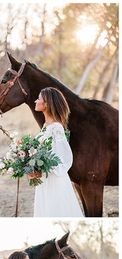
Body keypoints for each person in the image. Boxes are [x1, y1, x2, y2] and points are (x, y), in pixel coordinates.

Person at [30, 87, 84, 217]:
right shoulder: (45, 127)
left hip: (54, 181)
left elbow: (63, 159)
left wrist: (41, 170)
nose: (35, 101)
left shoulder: (56, 128)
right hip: (44, 180)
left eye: (39, 99)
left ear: (47, 104)